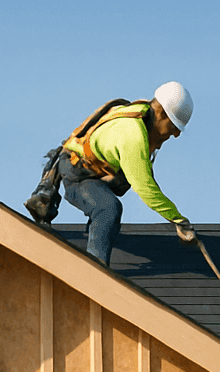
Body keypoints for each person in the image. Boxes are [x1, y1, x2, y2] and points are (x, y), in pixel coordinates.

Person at [45, 83, 196, 266]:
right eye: (173, 126)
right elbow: (145, 188)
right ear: (162, 114)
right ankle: (95, 271)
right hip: (77, 173)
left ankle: (98, 231)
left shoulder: (141, 113)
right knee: (109, 209)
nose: (176, 134)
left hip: (93, 170)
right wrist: (178, 220)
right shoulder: (132, 135)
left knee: (123, 186)